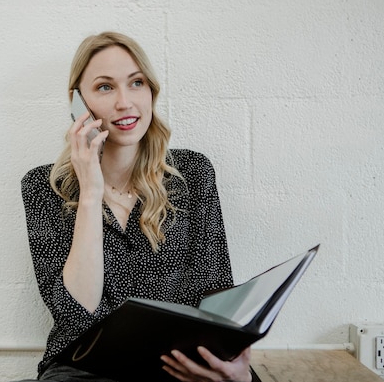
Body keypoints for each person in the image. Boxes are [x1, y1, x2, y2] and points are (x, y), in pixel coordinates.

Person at [20, 31, 254, 382]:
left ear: (151, 92)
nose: (125, 103)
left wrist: (232, 370)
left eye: (136, 83)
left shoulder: (193, 174)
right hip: (83, 370)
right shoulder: (43, 187)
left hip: (179, 368)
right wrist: (90, 191)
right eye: (104, 87)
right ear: (77, 103)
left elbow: (217, 293)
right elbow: (75, 311)